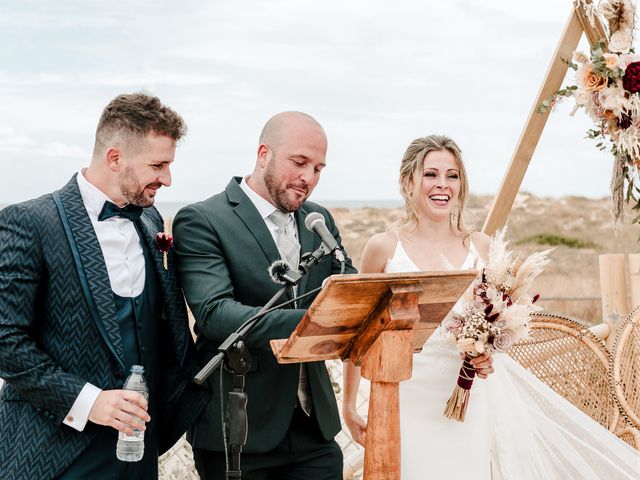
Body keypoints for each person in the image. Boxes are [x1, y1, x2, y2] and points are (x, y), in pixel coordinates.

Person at [342, 134, 640, 479]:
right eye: (431, 174)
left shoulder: (482, 248)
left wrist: (488, 353)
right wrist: (349, 406)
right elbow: (355, 335)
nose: (443, 185)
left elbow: (501, 322)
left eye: (452, 176)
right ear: (408, 182)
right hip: (403, 397)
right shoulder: (382, 248)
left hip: (468, 398)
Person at [0, 92, 209, 479]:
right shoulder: (29, 222)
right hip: (55, 452)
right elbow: (6, 340)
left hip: (137, 451)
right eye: (158, 165)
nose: (167, 178)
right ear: (115, 158)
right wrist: (90, 401)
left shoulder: (149, 221)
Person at [173, 111, 357, 480]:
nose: (309, 178)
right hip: (239, 430)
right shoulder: (202, 219)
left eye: (319, 168)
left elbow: (346, 285)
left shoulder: (317, 218)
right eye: (300, 162)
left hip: (313, 429)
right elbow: (215, 313)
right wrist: (316, 324)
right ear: (263, 154)